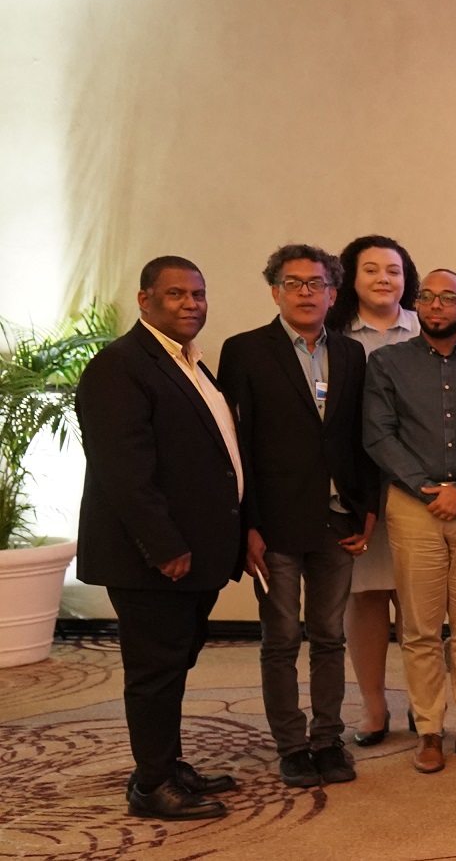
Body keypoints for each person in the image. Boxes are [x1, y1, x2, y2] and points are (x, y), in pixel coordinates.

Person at [77, 257, 246, 820]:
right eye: (176, 294)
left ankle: (166, 764)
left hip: (195, 554)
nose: (190, 304)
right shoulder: (120, 365)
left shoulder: (190, 363)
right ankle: (152, 784)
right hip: (153, 559)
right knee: (153, 671)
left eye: (198, 293)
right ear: (145, 299)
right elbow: (123, 470)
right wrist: (164, 546)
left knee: (173, 664)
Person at [219, 245, 373, 789]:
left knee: (330, 635)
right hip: (274, 522)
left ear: (333, 294)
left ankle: (327, 740)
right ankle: (291, 745)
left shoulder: (351, 353)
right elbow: (235, 445)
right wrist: (247, 525)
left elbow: (358, 436)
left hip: (336, 518)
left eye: (317, 284)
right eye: (294, 283)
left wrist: (367, 508)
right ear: (275, 292)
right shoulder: (244, 351)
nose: (306, 292)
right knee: (281, 638)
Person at [361, 268, 456, 773]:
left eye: (448, 297)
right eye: (426, 296)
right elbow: (378, 434)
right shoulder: (387, 363)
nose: (435, 305)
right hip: (414, 505)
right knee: (421, 628)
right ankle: (429, 730)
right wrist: (424, 487)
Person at [327, 235, 419, 746]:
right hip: (358, 484)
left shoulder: (426, 327)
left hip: (417, 482)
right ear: (350, 278)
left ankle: (422, 700)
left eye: (394, 270)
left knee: (417, 598)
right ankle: (374, 705)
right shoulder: (334, 335)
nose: (384, 278)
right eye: (372, 270)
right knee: (364, 596)